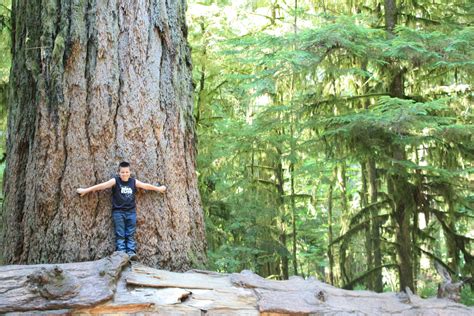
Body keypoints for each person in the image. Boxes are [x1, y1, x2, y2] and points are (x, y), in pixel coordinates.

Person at [77, 161, 166, 260]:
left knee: (130, 234)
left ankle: (131, 253)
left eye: (127, 172)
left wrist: (158, 189)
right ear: (119, 173)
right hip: (118, 213)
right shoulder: (115, 181)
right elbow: (102, 186)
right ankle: (121, 253)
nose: (125, 174)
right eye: (122, 172)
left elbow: (145, 186)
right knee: (120, 234)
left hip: (131, 212)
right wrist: (86, 190)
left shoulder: (133, 182)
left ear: (130, 172)